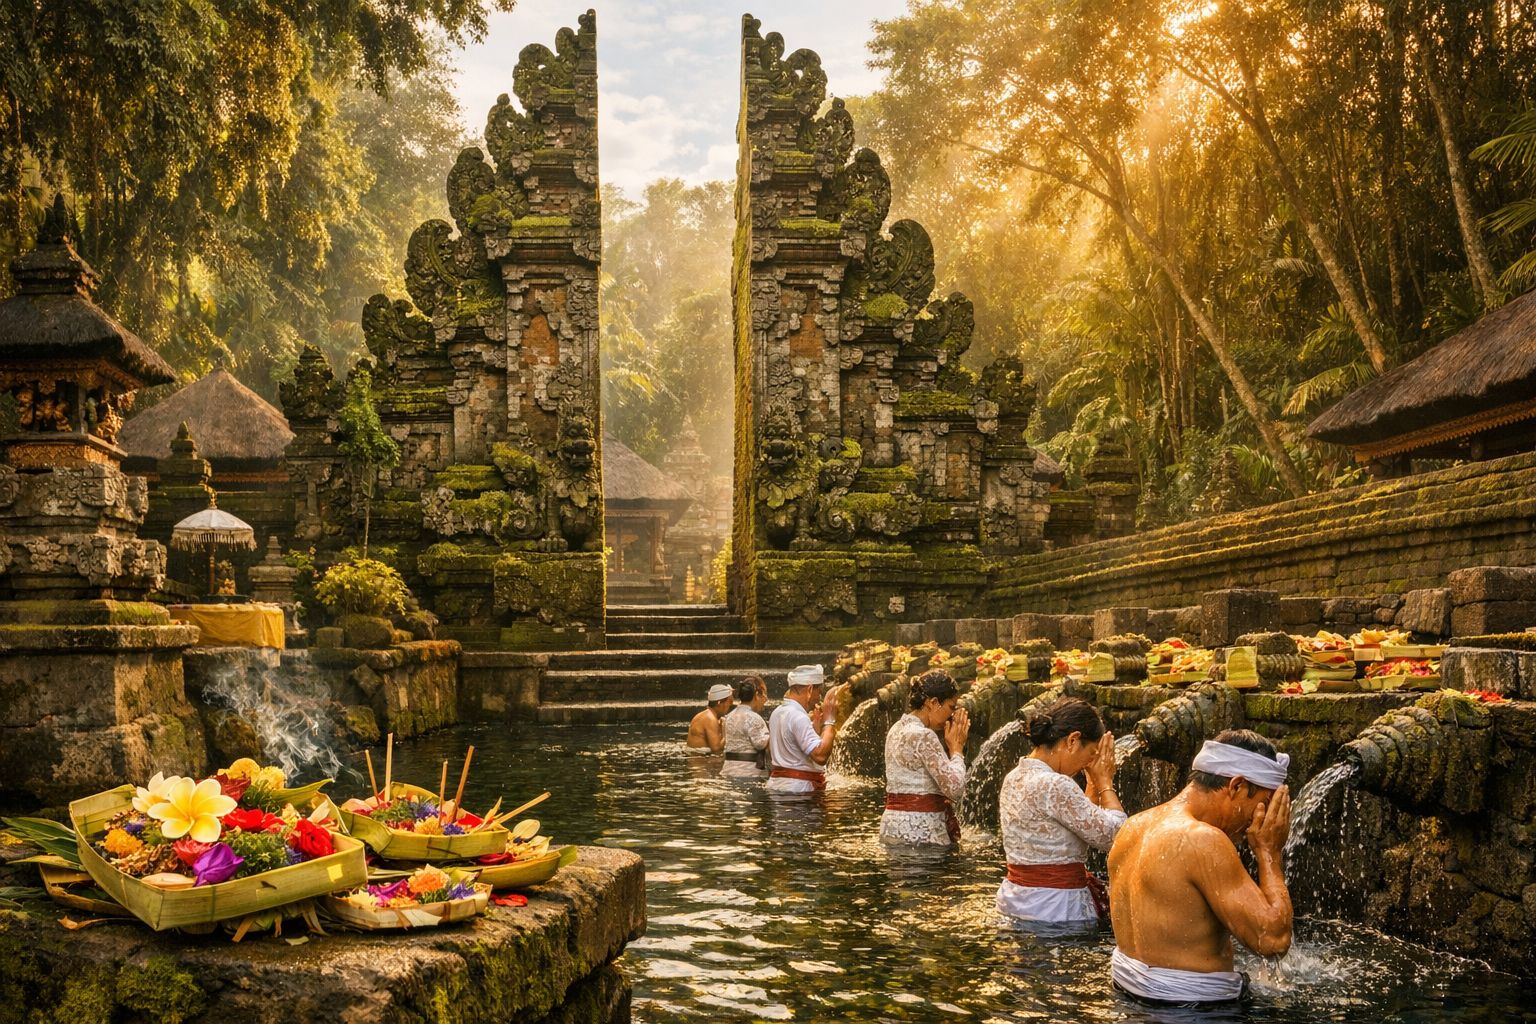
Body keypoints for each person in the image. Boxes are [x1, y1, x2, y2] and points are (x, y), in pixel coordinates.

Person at [1108, 729, 1293, 1007]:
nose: (1262, 819)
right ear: (1237, 786)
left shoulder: (1134, 824)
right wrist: (1269, 852)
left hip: (1126, 996)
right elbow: (1273, 941)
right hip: (1192, 1009)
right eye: (1263, 805)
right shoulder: (1204, 840)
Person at [996, 697, 1125, 926]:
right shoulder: (1055, 784)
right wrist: (1105, 783)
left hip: (1016, 900)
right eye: (1092, 754)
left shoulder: (1014, 776)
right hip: (1056, 908)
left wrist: (1091, 788)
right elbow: (1115, 835)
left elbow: (1072, 825)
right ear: (1073, 740)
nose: (1089, 763)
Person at [880, 669, 970, 846]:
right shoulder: (924, 736)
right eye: (951, 707)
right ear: (933, 702)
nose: (952, 715)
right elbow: (955, 788)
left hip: (891, 827)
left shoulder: (895, 729)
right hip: (922, 831)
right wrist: (957, 750)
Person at [766, 664, 836, 795]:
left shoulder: (777, 712)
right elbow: (820, 756)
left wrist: (815, 725)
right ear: (810, 689)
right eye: (819, 692)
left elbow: (786, 748)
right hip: (798, 789)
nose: (818, 698)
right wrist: (829, 721)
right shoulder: (798, 716)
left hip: (778, 785)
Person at [721, 676, 770, 778]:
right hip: (748, 772)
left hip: (728, 770)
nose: (766, 699)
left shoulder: (729, 716)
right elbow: (760, 744)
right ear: (757, 695)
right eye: (765, 694)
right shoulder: (754, 718)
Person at [686, 683, 733, 755]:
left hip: (700, 758)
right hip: (702, 762)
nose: (730, 705)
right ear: (719, 703)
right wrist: (725, 731)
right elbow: (716, 749)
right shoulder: (710, 718)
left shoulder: (707, 715)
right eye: (729, 702)